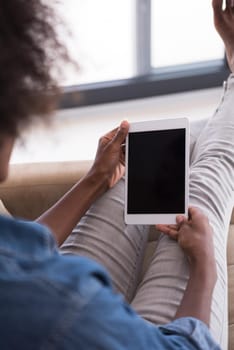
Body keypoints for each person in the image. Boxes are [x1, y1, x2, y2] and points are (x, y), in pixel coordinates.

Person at [0, 0, 233, 349]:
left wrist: (94, 178)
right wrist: (204, 268)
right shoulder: (60, 308)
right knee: (207, 185)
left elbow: (13, 252)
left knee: (136, 164)